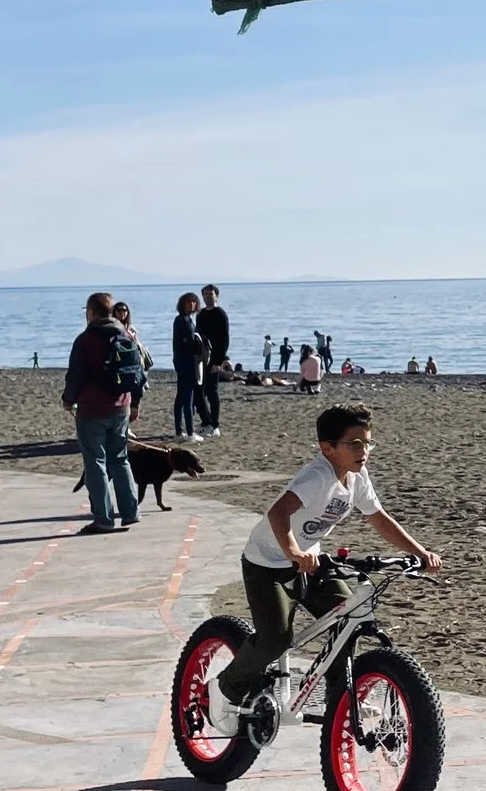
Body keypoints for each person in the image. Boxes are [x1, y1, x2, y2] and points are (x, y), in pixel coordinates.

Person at [203, 402, 442, 726]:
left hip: (311, 561)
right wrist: (293, 553)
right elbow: (278, 513)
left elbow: (378, 518)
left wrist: (419, 552)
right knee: (276, 638)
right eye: (354, 444)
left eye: (367, 442)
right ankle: (224, 689)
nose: (364, 450)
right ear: (327, 448)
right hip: (268, 564)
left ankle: (340, 700)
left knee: (348, 616)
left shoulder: (357, 478)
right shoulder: (317, 477)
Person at [62, 291, 144, 534]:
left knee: (95, 462)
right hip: (121, 405)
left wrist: (68, 400)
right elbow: (138, 371)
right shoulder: (125, 333)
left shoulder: (85, 340)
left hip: (92, 408)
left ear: (90, 313)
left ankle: (103, 518)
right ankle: (130, 512)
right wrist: (135, 402)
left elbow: (75, 375)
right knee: (120, 459)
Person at [171, 292, 207, 442]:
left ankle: (180, 430)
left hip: (183, 361)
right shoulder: (182, 321)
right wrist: (198, 345)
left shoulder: (187, 320)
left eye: (194, 302)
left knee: (181, 396)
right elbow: (188, 342)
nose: (191, 305)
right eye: (188, 302)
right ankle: (189, 432)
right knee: (187, 396)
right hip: (185, 362)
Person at [195, 285, 230, 437]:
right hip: (200, 357)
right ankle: (206, 421)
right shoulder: (200, 314)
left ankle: (214, 425)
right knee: (198, 391)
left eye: (211, 294)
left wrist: (219, 361)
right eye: (205, 294)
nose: (208, 297)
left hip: (214, 359)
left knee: (212, 391)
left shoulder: (220, 314)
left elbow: (224, 339)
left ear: (217, 296)